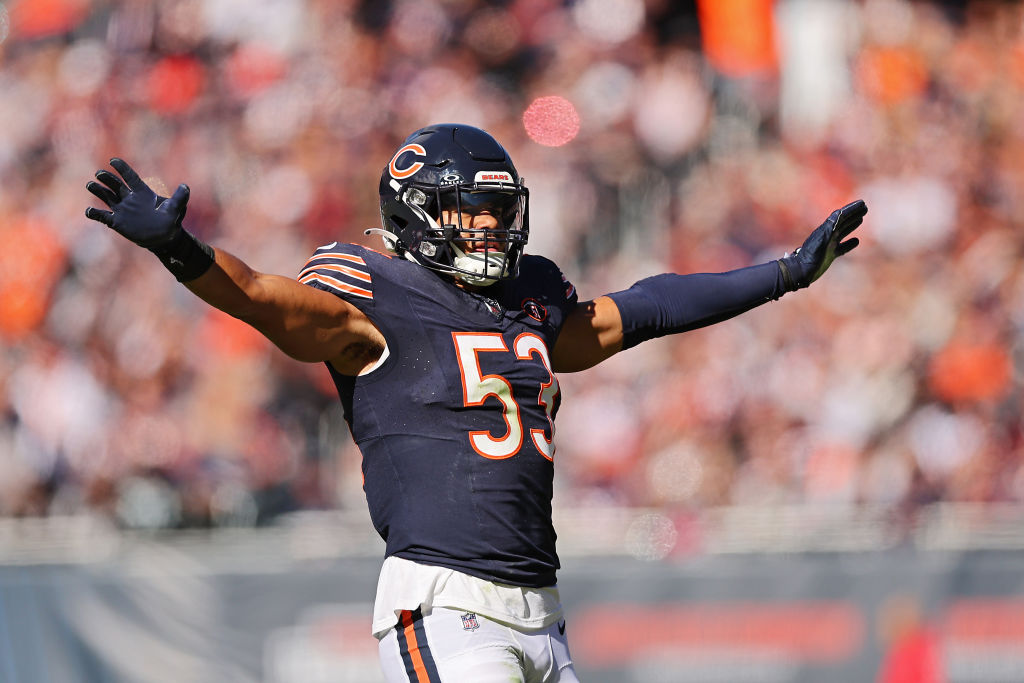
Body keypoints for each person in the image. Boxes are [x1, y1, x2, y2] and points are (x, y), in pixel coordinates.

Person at [85, 123, 867, 682]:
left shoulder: (526, 300)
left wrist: (785, 274)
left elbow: (645, 308)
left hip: (541, 606)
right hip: (445, 597)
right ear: (417, 211)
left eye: (499, 208)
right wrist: (179, 249)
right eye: (472, 209)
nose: (492, 224)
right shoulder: (374, 288)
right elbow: (267, 300)